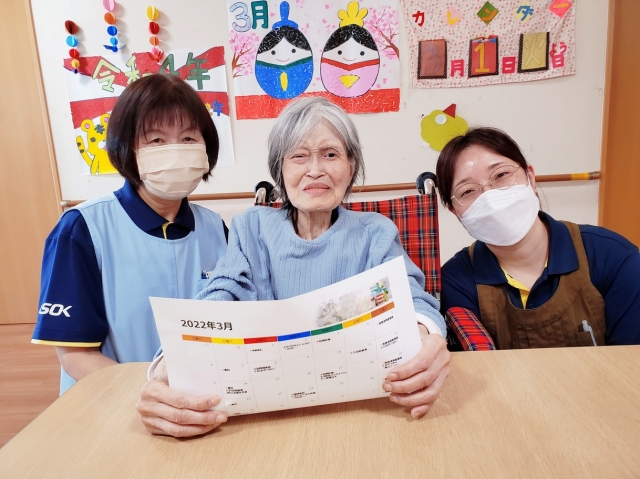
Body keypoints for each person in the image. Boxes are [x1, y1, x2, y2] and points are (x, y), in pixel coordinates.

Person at [137, 97, 451, 437]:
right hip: (269, 417)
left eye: (330, 154)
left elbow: (413, 300)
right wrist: (172, 363)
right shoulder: (252, 227)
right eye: (299, 156)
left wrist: (425, 337)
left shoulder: (375, 233)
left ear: (350, 166)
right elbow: (222, 294)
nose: (315, 169)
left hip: (358, 411)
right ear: (281, 170)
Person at [32, 74, 228, 394]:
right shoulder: (82, 230)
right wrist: (152, 393)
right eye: (157, 140)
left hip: (198, 402)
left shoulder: (217, 229)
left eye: (188, 138)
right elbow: (75, 355)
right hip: (111, 404)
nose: (175, 151)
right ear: (126, 148)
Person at [437, 127, 640, 349]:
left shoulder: (612, 255)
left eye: (501, 175)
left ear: (530, 177)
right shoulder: (455, 280)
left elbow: (631, 362)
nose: (490, 197)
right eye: (467, 191)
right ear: (455, 212)